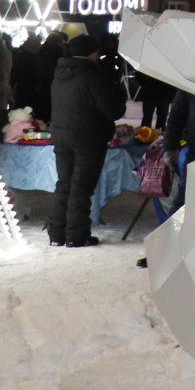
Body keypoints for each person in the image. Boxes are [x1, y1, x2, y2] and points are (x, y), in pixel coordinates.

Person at [46, 31, 127, 247]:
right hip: (88, 138)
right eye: (96, 53)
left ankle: (57, 233)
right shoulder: (92, 76)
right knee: (81, 187)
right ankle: (76, 235)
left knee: (64, 184)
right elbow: (112, 110)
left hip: (62, 136)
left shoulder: (59, 74)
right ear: (91, 53)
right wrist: (118, 91)